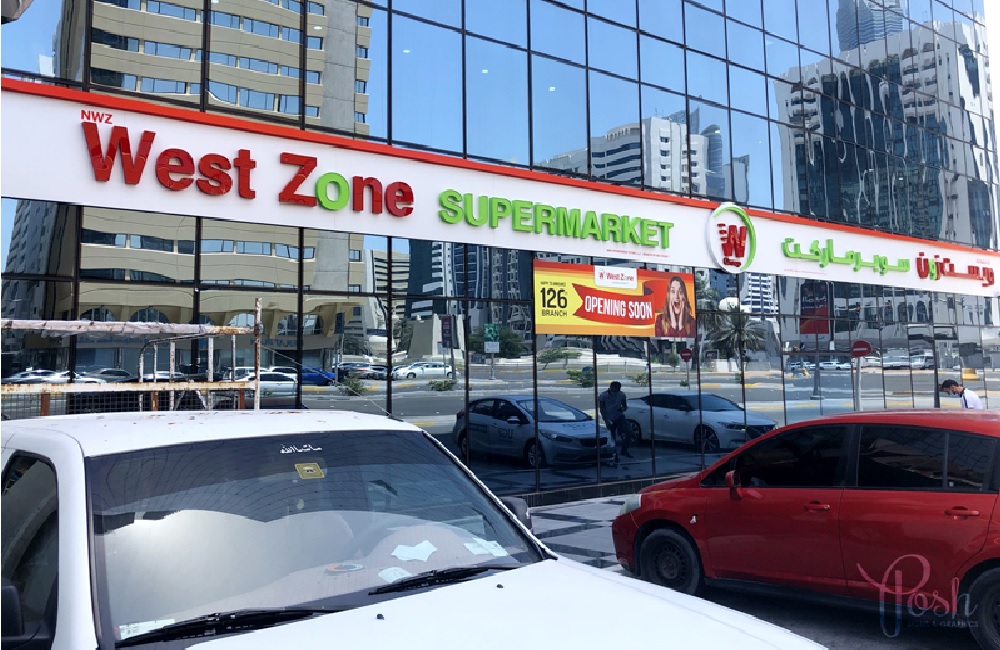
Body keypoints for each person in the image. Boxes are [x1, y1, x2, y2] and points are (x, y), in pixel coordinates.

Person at [599, 380, 631, 458]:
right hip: (610, 418)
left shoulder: (621, 394)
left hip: (619, 417)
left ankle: (624, 450)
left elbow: (625, 406)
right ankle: (614, 454)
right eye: (613, 388)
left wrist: (622, 409)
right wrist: (605, 419)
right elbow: (601, 409)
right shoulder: (604, 395)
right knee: (612, 437)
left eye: (616, 389)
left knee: (628, 432)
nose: (615, 390)